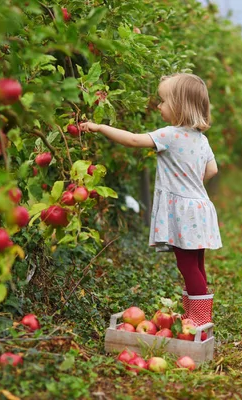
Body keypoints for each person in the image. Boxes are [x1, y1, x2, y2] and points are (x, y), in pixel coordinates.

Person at [80, 73, 222, 326]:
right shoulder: (202, 139)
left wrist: (100, 127)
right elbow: (212, 171)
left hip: (183, 210)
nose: (159, 106)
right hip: (200, 205)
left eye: (163, 101)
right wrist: (191, 184)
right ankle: (195, 316)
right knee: (196, 264)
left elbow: (134, 139)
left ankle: (200, 321)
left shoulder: (170, 134)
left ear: (180, 106)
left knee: (187, 265)